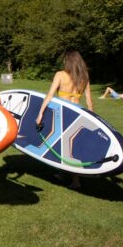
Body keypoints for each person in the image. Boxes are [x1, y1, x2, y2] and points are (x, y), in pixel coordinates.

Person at [35, 50, 94, 189]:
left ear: (68, 61)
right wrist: (92, 117)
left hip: (64, 113)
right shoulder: (84, 77)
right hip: (78, 112)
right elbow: (89, 100)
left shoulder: (60, 75)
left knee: (66, 147)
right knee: (67, 144)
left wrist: (40, 113)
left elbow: (50, 95)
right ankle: (62, 174)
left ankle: (76, 181)